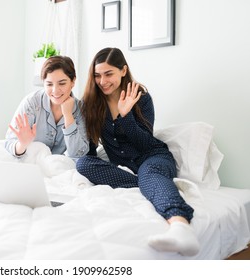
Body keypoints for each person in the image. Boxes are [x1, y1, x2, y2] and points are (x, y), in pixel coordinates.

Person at [76, 47, 200, 256]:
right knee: (82, 164)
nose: (102, 81)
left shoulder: (141, 98)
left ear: (123, 71)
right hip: (125, 169)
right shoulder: (91, 104)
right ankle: (146, 184)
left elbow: (145, 143)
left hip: (152, 157)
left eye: (109, 74)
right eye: (97, 75)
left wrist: (126, 116)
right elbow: (89, 151)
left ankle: (180, 226)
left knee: (150, 173)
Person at [5, 55, 89, 160]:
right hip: (30, 162)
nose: (55, 90)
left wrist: (68, 116)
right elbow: (9, 142)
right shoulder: (31, 103)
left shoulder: (81, 109)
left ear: (73, 82)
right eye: (49, 84)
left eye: (62, 83)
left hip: (58, 166)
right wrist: (22, 144)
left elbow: (78, 153)